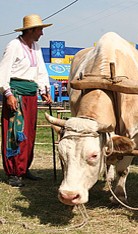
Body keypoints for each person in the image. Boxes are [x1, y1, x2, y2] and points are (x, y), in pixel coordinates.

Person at [0, 14, 53, 187]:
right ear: (31, 30)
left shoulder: (36, 47)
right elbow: (3, 72)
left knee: (29, 133)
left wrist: (44, 91)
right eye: (40, 30)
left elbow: (41, 71)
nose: (42, 34)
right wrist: (8, 94)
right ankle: (14, 172)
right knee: (15, 133)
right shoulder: (14, 46)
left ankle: (24, 168)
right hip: (16, 94)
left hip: (31, 95)